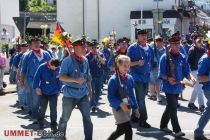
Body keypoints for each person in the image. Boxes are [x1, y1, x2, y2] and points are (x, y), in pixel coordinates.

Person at [158, 33, 196, 138]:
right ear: (170, 44)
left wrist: (191, 78)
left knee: (170, 107)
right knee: (173, 108)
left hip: (177, 86)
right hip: (168, 87)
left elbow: (186, 71)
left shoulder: (182, 56)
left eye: (178, 44)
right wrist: (168, 78)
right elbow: (161, 74)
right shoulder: (164, 57)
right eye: (174, 44)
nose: (177, 46)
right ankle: (177, 130)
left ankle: (163, 125)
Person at [58, 37, 93, 140]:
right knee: (64, 118)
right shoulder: (67, 61)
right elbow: (61, 76)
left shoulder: (85, 60)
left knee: (87, 119)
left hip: (83, 94)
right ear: (75, 48)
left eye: (84, 47)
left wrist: (90, 91)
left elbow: (88, 77)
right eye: (82, 47)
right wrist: (75, 80)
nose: (84, 48)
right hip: (70, 95)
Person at [107, 55, 140, 140]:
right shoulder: (113, 79)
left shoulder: (130, 78)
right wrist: (120, 103)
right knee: (129, 131)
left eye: (128, 65)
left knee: (120, 130)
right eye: (124, 66)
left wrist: (136, 108)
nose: (127, 68)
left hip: (128, 107)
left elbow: (132, 95)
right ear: (118, 65)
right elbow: (110, 97)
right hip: (118, 108)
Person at [127, 29, 154, 128]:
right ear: (137, 37)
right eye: (141, 35)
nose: (144, 37)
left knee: (140, 99)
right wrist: (137, 63)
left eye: (145, 35)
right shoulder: (132, 48)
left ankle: (134, 117)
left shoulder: (150, 48)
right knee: (141, 99)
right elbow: (127, 63)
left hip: (146, 77)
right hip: (136, 76)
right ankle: (143, 120)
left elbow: (153, 61)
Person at [20, 37, 51, 120]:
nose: (36, 45)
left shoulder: (46, 54)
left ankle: (40, 113)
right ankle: (35, 116)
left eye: (38, 43)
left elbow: (51, 67)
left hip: (45, 81)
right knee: (35, 100)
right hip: (32, 81)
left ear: (40, 43)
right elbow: (23, 70)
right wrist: (22, 81)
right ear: (31, 45)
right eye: (34, 43)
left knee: (44, 98)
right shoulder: (27, 55)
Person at [33, 58, 62, 133]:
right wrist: (36, 87)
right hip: (43, 91)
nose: (55, 69)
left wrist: (59, 89)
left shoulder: (58, 68)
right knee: (42, 108)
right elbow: (36, 78)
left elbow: (59, 79)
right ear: (50, 64)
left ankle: (53, 125)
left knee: (53, 109)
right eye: (54, 67)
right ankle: (40, 121)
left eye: (56, 67)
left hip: (54, 92)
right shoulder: (42, 67)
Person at [194, 41, 210, 140]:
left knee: (208, 111)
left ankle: (198, 132)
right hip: (209, 89)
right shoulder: (204, 59)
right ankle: (198, 132)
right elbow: (199, 78)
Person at [86, 39, 106, 112]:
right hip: (91, 76)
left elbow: (103, 62)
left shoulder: (100, 54)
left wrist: (98, 56)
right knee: (92, 91)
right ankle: (93, 105)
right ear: (90, 48)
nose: (94, 49)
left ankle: (95, 103)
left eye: (96, 47)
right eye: (93, 48)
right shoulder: (87, 56)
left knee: (98, 91)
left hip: (99, 75)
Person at [188, 34, 206, 112]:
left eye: (201, 40)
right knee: (199, 88)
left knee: (196, 88)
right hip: (194, 71)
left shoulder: (202, 50)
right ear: (194, 41)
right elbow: (188, 62)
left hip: (201, 70)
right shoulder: (191, 50)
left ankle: (191, 103)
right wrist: (189, 74)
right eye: (198, 40)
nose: (200, 42)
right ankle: (201, 105)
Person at [149, 35, 165, 103]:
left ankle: (157, 94)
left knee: (158, 81)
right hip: (153, 67)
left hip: (161, 68)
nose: (158, 43)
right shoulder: (153, 50)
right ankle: (153, 94)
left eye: (159, 42)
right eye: (157, 42)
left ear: (162, 42)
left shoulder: (164, 50)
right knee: (152, 81)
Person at [13, 43, 28, 109]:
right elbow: (14, 67)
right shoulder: (17, 56)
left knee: (27, 90)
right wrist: (20, 73)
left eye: (26, 47)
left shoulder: (29, 55)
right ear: (21, 48)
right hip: (20, 75)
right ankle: (22, 103)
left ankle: (26, 103)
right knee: (21, 90)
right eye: (23, 47)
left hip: (27, 76)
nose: (24, 48)